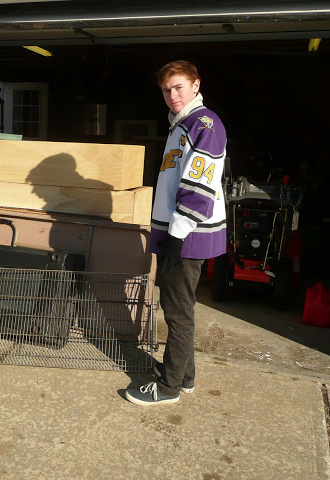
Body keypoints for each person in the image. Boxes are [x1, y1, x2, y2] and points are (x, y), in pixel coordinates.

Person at [125, 60, 227, 406]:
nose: (172, 95)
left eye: (179, 87)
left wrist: (177, 235)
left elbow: (198, 187)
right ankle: (185, 376)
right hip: (178, 233)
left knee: (178, 311)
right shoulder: (180, 125)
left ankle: (168, 387)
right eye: (166, 90)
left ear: (196, 86)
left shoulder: (204, 124)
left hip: (187, 234)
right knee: (176, 306)